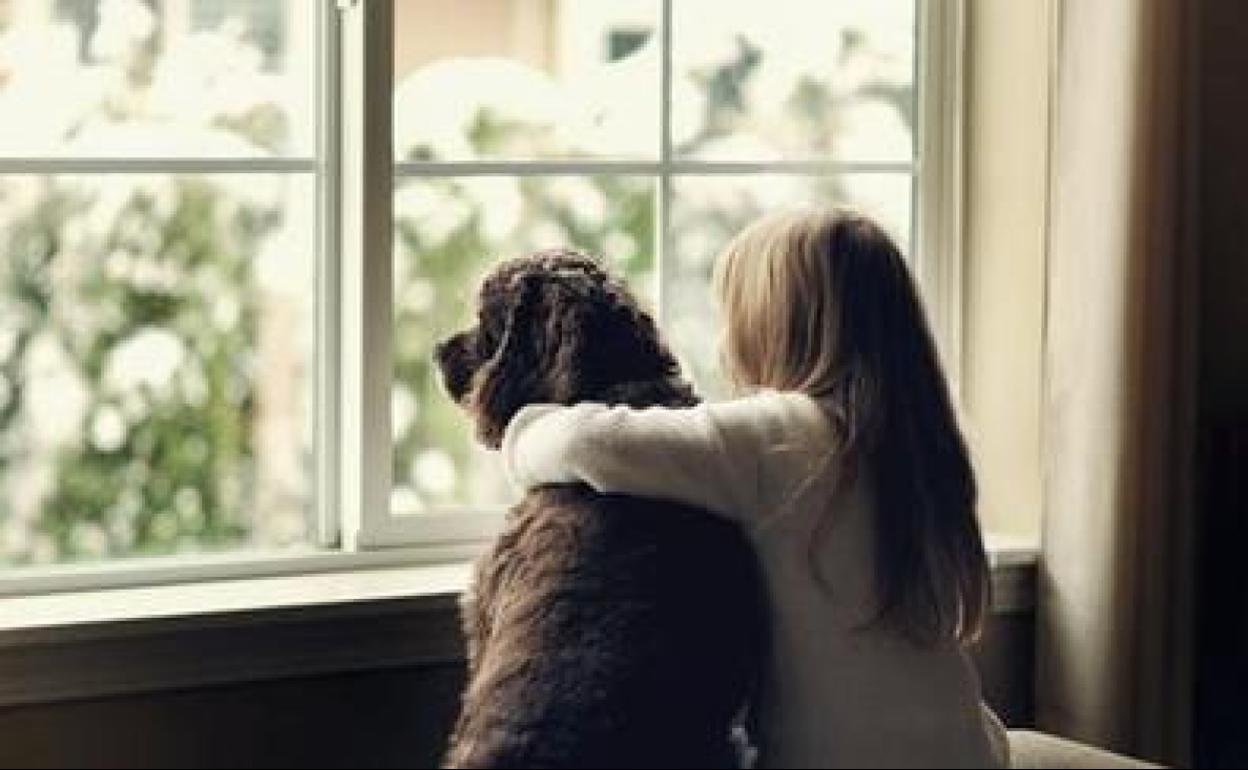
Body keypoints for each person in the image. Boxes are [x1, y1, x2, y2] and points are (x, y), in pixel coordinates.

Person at [502, 207, 1010, 768]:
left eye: (733, 316)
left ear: (774, 327)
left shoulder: (784, 437)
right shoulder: (921, 449)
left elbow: (592, 446)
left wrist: (521, 429)